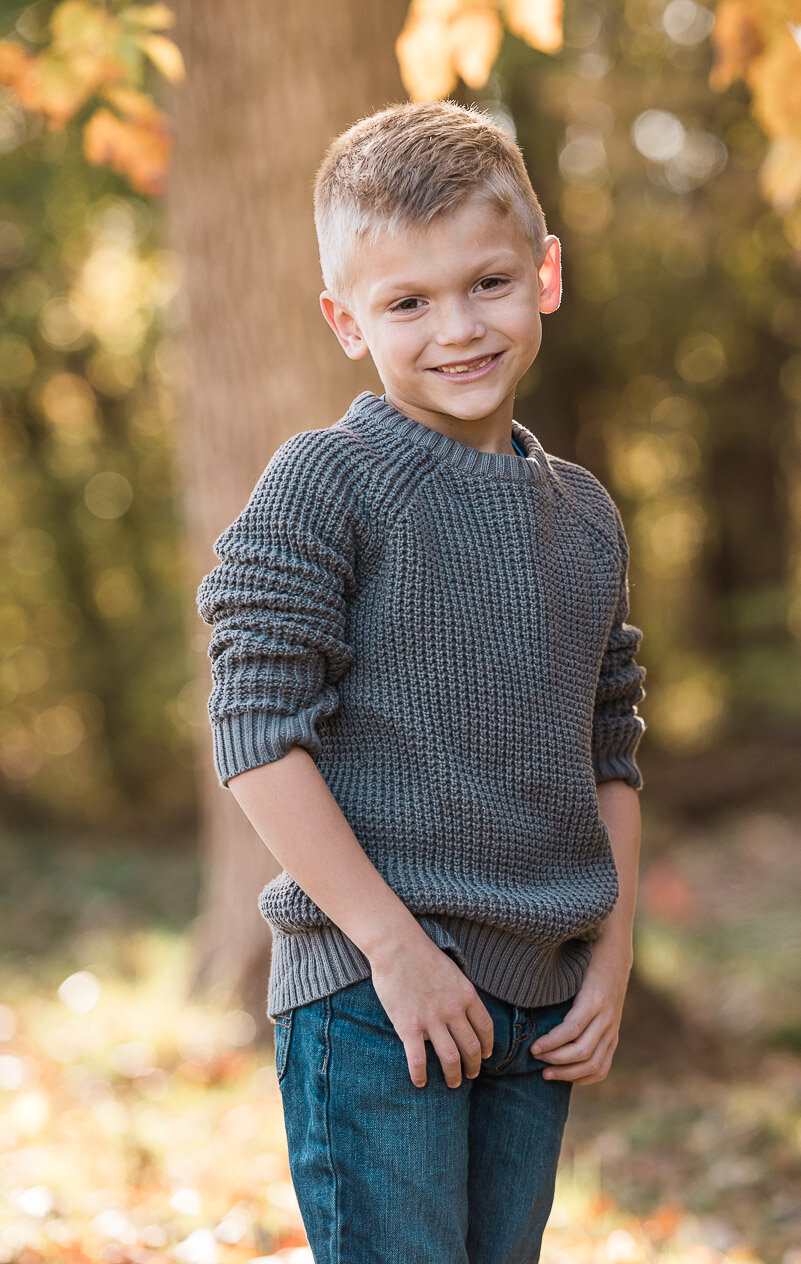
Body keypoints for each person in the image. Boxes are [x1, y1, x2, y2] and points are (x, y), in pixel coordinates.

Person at [196, 100, 646, 1264]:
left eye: (487, 282)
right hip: (371, 995)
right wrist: (395, 949)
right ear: (348, 320)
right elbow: (254, 731)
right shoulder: (327, 483)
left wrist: (615, 951)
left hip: (537, 1006)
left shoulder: (585, 517)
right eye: (408, 302)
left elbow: (612, 746)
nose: (458, 327)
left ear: (545, 273)